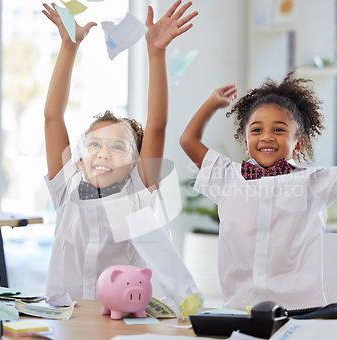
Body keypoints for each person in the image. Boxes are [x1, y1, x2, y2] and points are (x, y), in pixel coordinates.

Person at [180, 71, 337, 310]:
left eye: (279, 130)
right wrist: (212, 104)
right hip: (239, 312)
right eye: (256, 130)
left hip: (302, 315)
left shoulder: (314, 181)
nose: (266, 137)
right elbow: (188, 141)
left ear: (298, 143)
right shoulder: (228, 176)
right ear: (245, 142)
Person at [42, 1, 202, 315]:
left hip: (125, 319)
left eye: (118, 148)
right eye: (94, 145)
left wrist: (155, 53)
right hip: (64, 316)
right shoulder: (67, 186)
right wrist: (68, 46)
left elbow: (156, 126)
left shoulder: (137, 192)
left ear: (134, 164)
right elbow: (52, 118)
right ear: (78, 158)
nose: (103, 153)